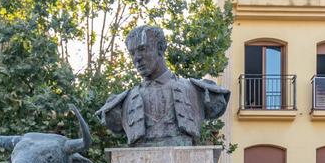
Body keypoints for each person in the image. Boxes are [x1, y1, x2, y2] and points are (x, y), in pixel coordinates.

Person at [96, 25, 230, 147]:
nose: (137, 58)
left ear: (160, 48)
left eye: (142, 49)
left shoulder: (196, 91)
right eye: (132, 53)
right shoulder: (123, 102)